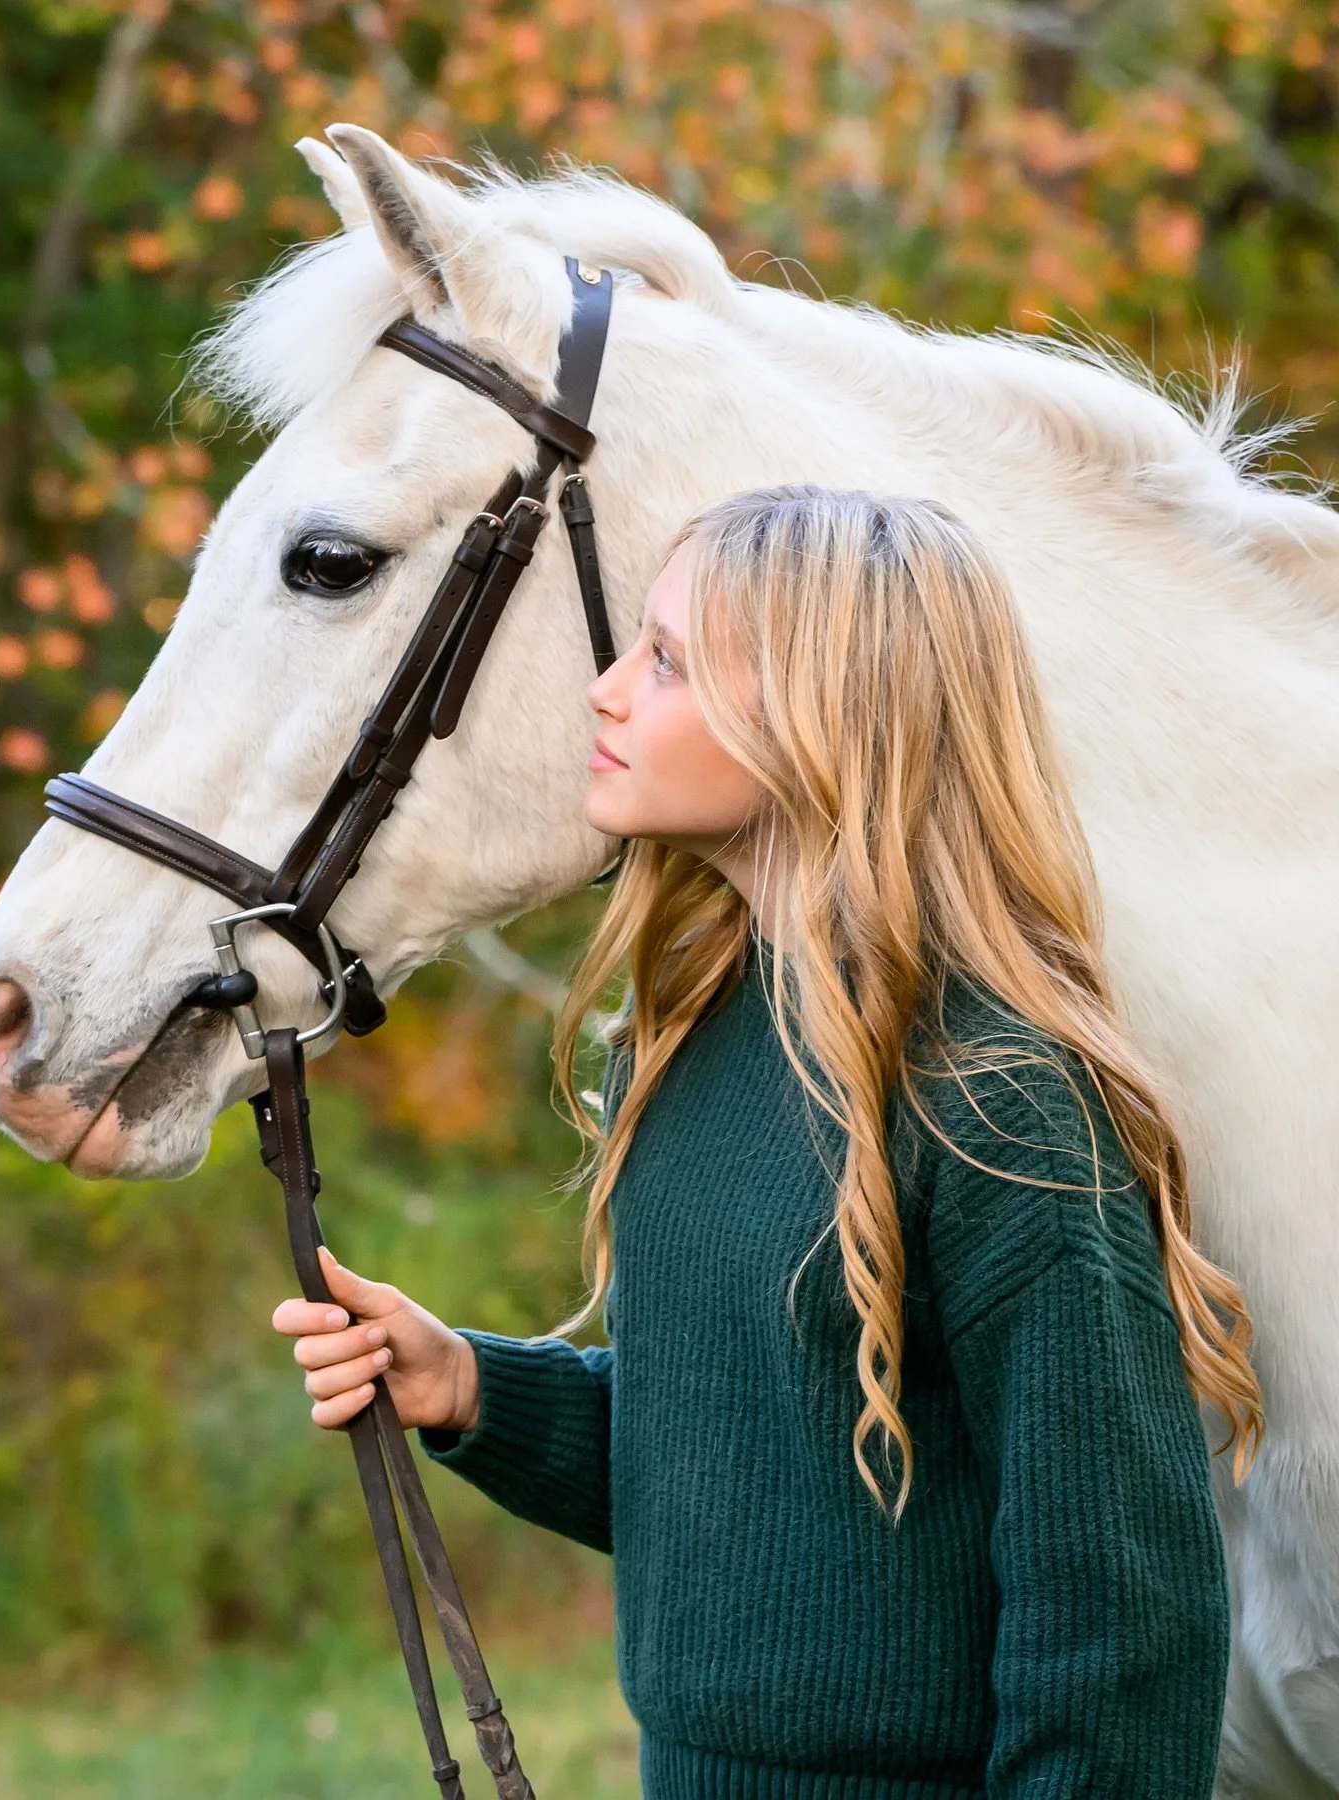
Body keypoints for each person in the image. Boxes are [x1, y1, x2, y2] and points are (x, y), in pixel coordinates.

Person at [272, 486, 1264, 1799]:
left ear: (825, 716)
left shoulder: (1000, 1098)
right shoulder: (687, 1039)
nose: (606, 694)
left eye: (668, 662)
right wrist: (468, 1386)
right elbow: (746, 1466)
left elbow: (1124, 1621)